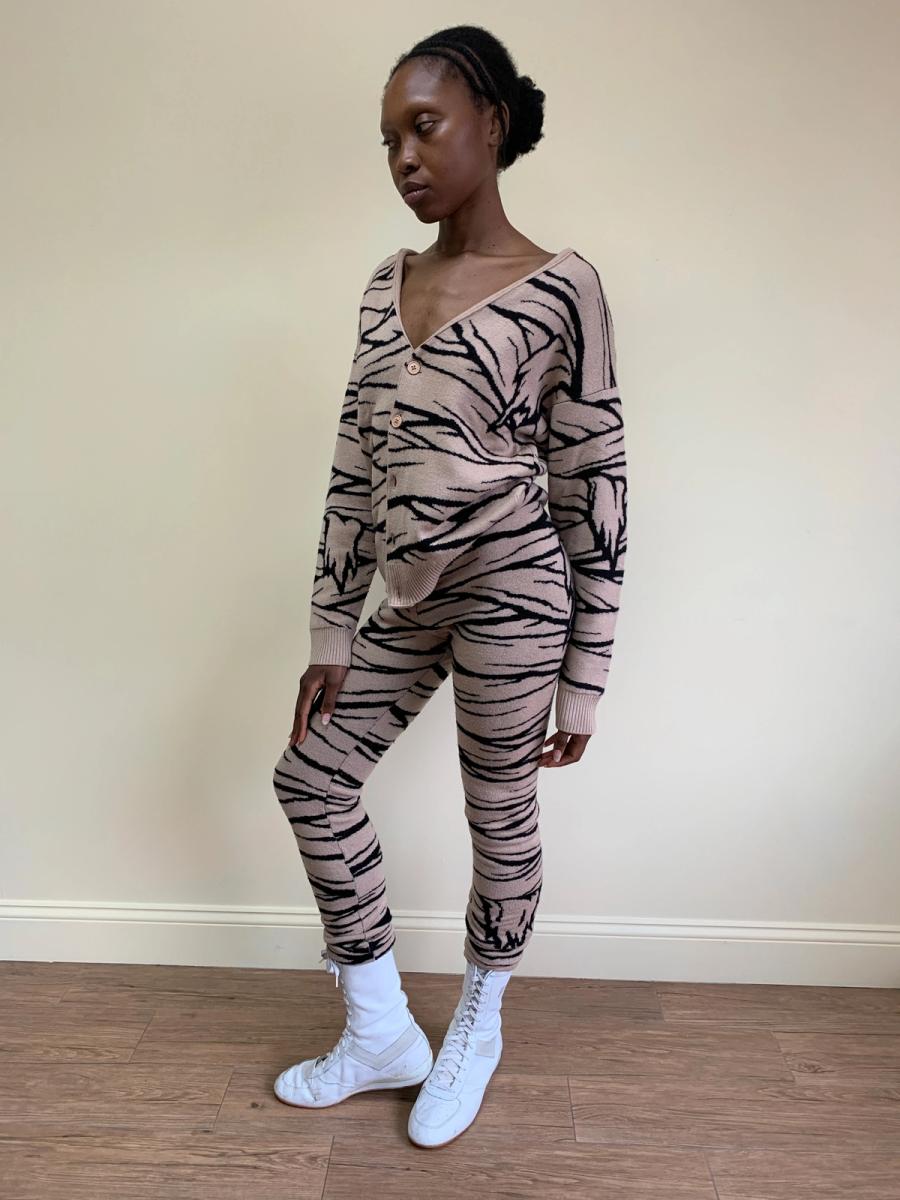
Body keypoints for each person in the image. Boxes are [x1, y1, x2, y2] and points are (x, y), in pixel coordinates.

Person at [271, 23, 628, 1148]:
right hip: (408, 594)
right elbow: (354, 462)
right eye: (389, 140)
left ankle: (480, 1016)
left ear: (492, 123)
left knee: (497, 810)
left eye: (424, 128)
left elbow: (594, 480)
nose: (405, 158)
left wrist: (585, 672)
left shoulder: (563, 288)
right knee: (312, 779)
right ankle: (381, 1028)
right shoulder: (386, 286)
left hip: (518, 587)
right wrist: (332, 630)